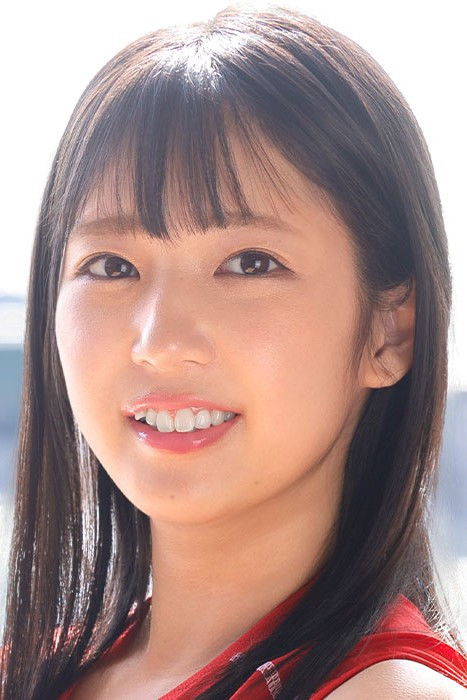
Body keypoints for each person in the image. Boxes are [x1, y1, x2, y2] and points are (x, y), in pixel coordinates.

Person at [1, 3, 466, 698]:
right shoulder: (29, 669)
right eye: (111, 266)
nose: (160, 343)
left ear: (389, 330)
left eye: (250, 263)